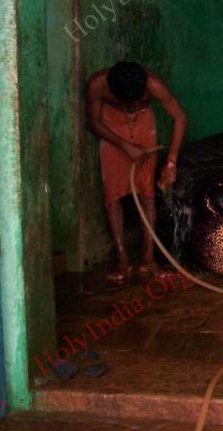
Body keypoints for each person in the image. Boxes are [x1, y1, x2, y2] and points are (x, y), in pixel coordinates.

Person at [86, 62, 187, 282]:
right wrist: (124, 145)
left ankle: (148, 258)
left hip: (143, 127)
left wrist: (171, 161)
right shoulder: (97, 84)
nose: (131, 106)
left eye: (137, 101)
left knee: (147, 190)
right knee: (112, 193)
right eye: (126, 103)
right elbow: (93, 122)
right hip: (110, 129)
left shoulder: (154, 84)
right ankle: (122, 259)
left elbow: (180, 117)